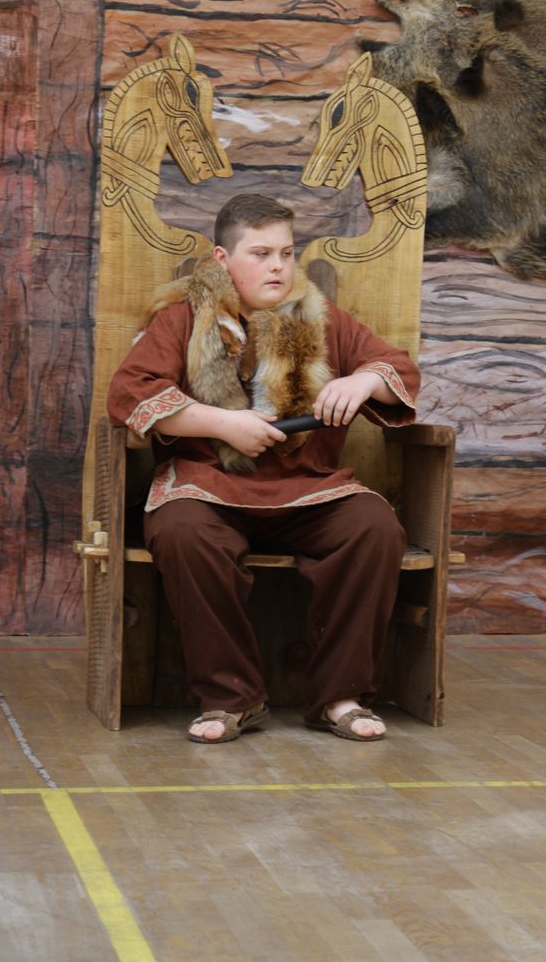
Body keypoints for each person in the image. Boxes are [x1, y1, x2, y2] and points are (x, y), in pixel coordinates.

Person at [107, 193, 420, 743]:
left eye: (286, 253)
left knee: (374, 527)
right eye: (260, 254)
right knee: (181, 532)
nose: (278, 266)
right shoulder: (183, 320)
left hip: (308, 490)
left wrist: (363, 380)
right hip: (206, 488)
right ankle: (231, 698)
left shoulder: (323, 320)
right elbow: (130, 392)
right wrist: (222, 424)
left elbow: (398, 369)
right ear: (223, 259)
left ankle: (340, 697)